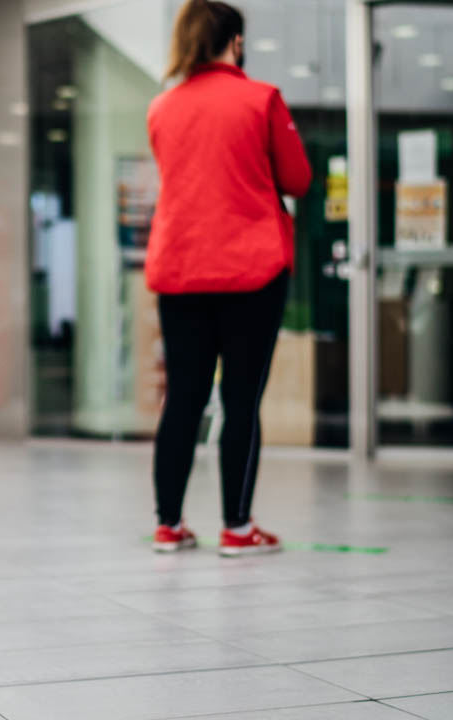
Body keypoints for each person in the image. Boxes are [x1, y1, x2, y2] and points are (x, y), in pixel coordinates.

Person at [146, 0, 311, 557]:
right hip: (251, 271)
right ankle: (237, 529)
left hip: (180, 271)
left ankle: (169, 524)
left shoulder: (161, 109)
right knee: (241, 401)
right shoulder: (261, 99)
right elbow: (298, 178)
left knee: (183, 400)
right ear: (236, 42)